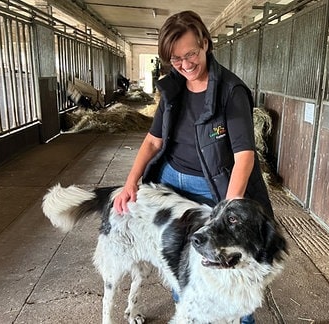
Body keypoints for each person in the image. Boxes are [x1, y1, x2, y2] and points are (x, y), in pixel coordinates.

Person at [113, 10, 273, 324]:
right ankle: (188, 309)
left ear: (205, 43)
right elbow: (153, 142)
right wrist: (131, 181)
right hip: (172, 183)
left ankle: (241, 318)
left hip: (213, 187)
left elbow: (244, 157)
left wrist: (227, 212)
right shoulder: (172, 89)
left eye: (191, 54)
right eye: (176, 59)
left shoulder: (231, 92)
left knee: (228, 263)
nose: (186, 65)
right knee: (182, 260)